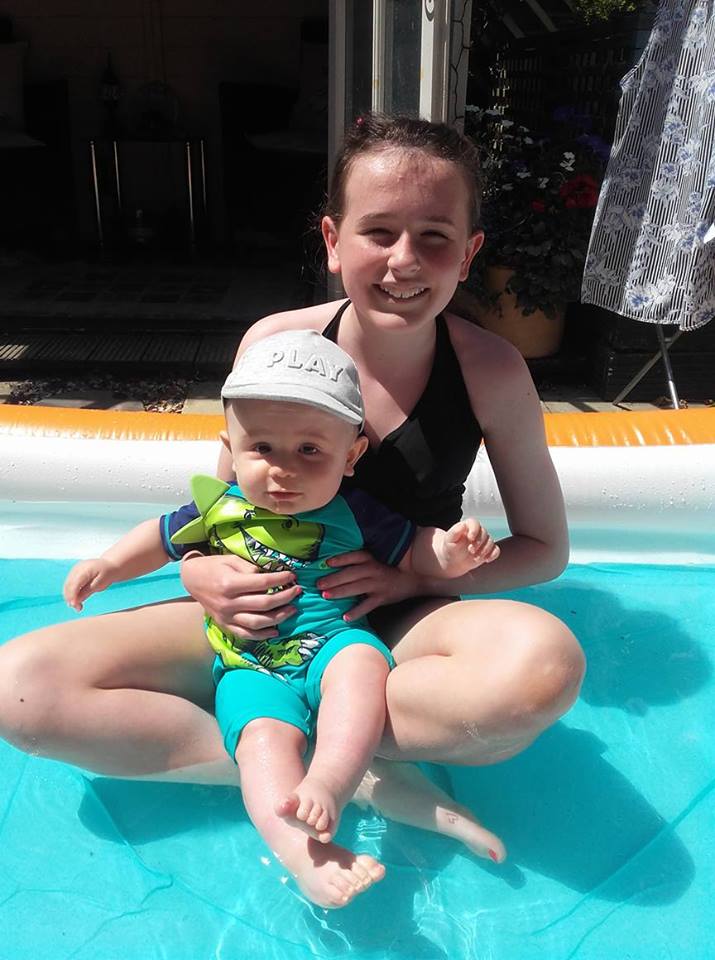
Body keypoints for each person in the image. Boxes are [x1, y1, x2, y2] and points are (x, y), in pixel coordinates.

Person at [0, 113, 584, 903]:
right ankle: (338, 777)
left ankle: (329, 757)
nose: (403, 260)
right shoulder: (274, 345)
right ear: (333, 240)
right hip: (263, 609)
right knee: (20, 690)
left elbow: (544, 547)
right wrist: (200, 572)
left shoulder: (489, 369)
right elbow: (219, 505)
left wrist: (412, 578)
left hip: (398, 621)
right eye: (378, 231)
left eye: (434, 237)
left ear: (468, 252)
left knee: (540, 669)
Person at [63, 329, 502, 907]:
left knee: (362, 667)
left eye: (310, 451)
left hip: (333, 641)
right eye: (262, 448)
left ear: (351, 457)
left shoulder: (356, 511)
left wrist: (451, 552)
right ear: (231, 446)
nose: (282, 470)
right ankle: (304, 858)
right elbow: (159, 536)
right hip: (249, 663)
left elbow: (417, 549)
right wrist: (110, 565)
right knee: (260, 743)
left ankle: (331, 781)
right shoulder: (217, 507)